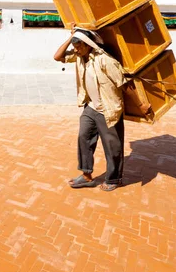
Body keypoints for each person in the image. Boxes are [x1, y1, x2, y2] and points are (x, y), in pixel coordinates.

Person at [54, 27, 153, 191]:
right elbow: (57, 56)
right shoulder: (79, 57)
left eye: (79, 46)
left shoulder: (105, 60)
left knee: (112, 146)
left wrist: (141, 105)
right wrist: (72, 36)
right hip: (91, 107)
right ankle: (86, 176)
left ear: (88, 45)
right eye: (75, 46)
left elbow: (124, 84)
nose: (76, 50)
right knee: (83, 138)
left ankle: (114, 179)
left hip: (108, 109)